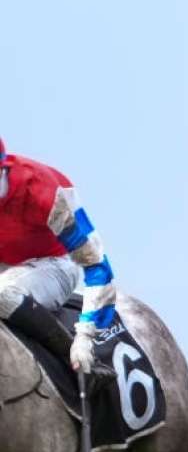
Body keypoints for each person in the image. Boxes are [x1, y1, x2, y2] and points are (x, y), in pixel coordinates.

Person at [0, 138, 116, 385]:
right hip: (6, 261)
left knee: (2, 292)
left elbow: (97, 267)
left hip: (57, 263)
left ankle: (72, 359)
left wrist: (85, 336)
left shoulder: (43, 193)